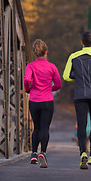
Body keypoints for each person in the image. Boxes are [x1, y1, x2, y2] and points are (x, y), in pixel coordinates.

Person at [63, 31, 91, 169]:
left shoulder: (73, 56)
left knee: (81, 124)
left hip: (80, 94)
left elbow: (65, 76)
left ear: (81, 43)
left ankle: (82, 152)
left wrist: (77, 79)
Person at [24, 39, 62, 168]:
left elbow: (27, 79)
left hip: (34, 100)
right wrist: (50, 89)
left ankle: (34, 153)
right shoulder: (52, 66)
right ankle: (43, 153)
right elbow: (58, 84)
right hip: (47, 100)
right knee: (45, 128)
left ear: (36, 53)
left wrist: (28, 89)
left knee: (37, 127)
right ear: (46, 52)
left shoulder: (30, 66)